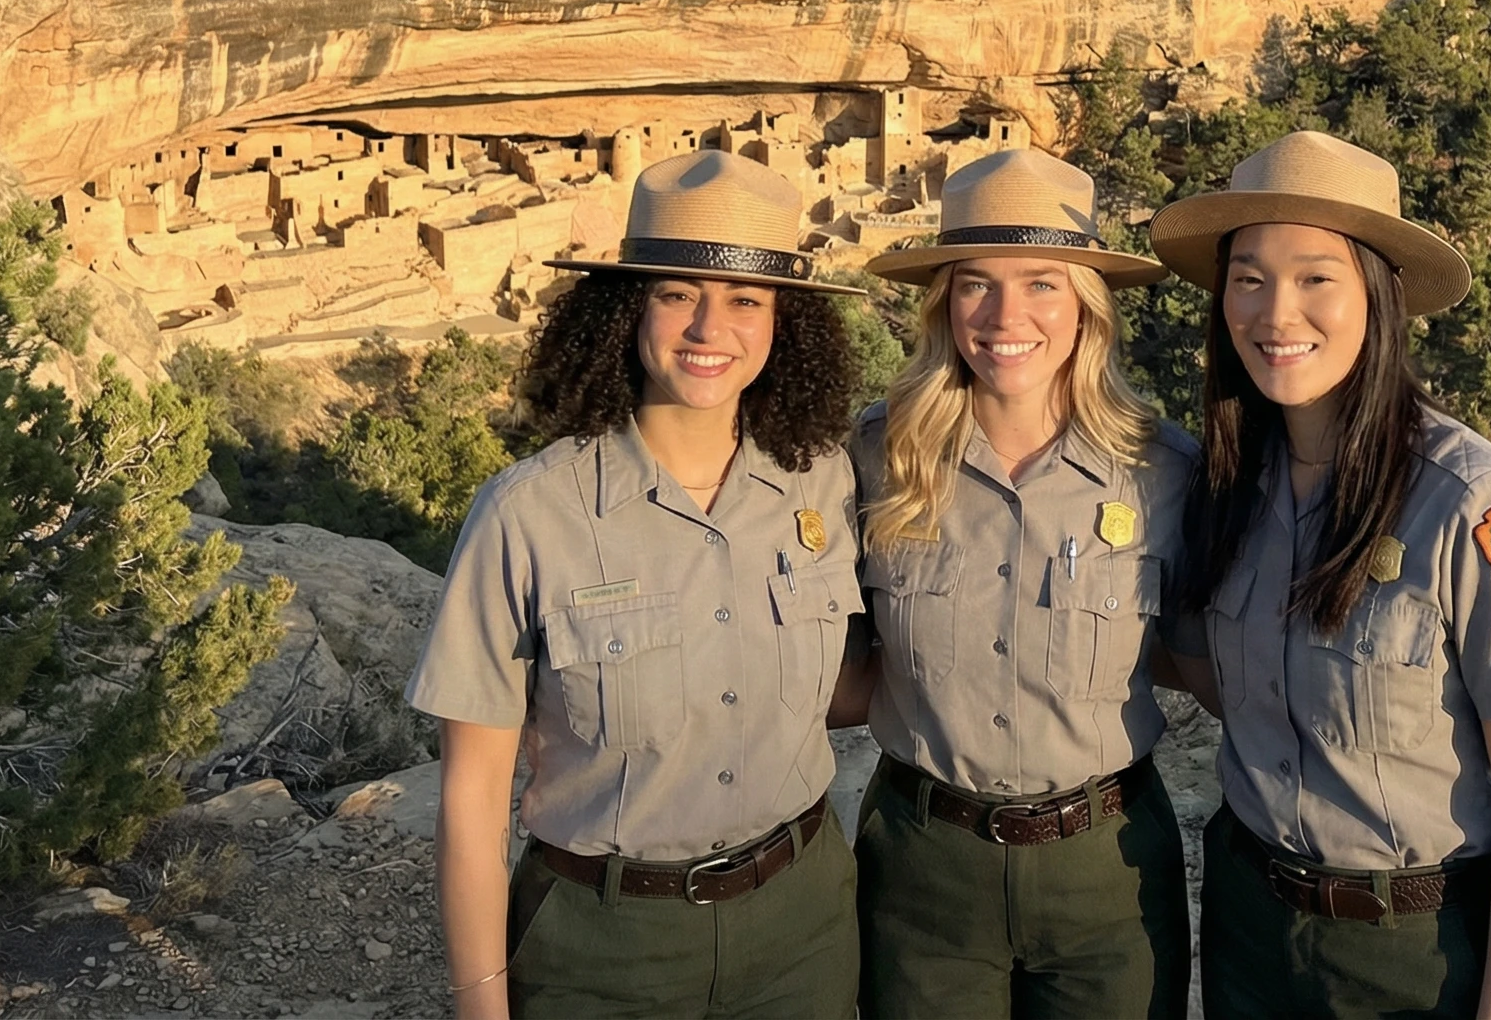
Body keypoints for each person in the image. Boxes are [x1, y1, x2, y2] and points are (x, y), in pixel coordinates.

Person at [407, 150, 868, 1020]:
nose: (709, 328)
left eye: (745, 300)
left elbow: (848, 682)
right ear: (627, 307)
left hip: (802, 922)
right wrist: (479, 1003)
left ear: (783, 323)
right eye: (675, 293)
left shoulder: (819, 484)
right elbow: (472, 796)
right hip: (602, 943)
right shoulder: (530, 515)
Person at [1150, 131, 1491, 1020]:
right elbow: (1207, 671)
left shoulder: (1472, 506)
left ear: (1378, 296)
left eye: (1316, 277)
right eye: (1248, 278)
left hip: (1412, 954)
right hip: (1248, 921)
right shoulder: (1227, 486)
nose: (1277, 314)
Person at [838, 147, 1199, 1020]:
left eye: (1043, 282)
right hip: (924, 863)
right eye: (975, 284)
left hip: (1105, 867)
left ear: (1087, 307)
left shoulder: (1164, 472)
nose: (1007, 315)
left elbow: (1217, 652)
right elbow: (820, 659)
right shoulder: (872, 459)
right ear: (943, 303)